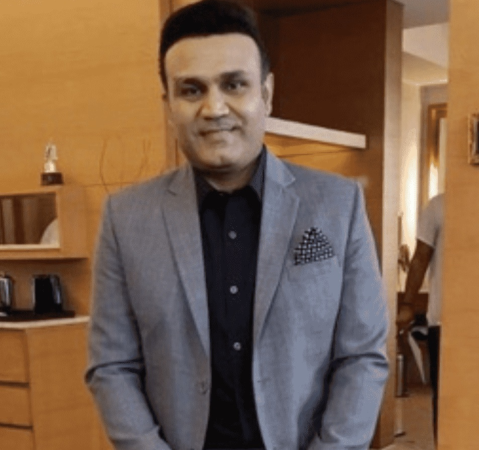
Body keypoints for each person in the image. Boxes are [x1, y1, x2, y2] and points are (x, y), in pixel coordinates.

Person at [86, 1, 389, 449]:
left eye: (234, 84)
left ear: (266, 93)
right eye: (191, 90)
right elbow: (112, 366)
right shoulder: (125, 217)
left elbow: (361, 357)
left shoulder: (337, 204)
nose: (214, 108)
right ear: (169, 105)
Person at [397, 193, 445, 442]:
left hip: (450, 320)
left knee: (445, 396)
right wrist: (407, 304)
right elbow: (419, 258)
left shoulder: (439, 205)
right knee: (444, 396)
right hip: (443, 320)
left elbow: (420, 258)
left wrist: (408, 304)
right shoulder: (438, 206)